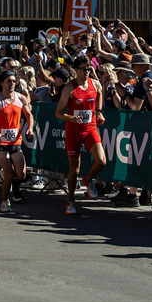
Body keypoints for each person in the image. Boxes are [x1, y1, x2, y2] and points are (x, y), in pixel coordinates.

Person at [54, 55, 106, 215]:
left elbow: (100, 93)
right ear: (76, 70)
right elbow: (58, 113)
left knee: (101, 161)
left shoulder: (94, 83)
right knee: (74, 170)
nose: (87, 72)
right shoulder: (69, 88)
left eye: (89, 68)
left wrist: (99, 111)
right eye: (84, 69)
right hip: (73, 131)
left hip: (90, 128)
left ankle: (88, 179)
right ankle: (70, 200)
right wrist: (71, 118)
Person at [0, 71, 33, 212]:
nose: (12, 84)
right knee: (9, 174)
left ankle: (5, 175)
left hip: (15, 141)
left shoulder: (21, 98)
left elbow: (30, 115)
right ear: (2, 83)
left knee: (21, 175)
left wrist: (30, 128)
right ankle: (5, 202)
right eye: (8, 81)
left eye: (13, 81)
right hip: (0, 142)